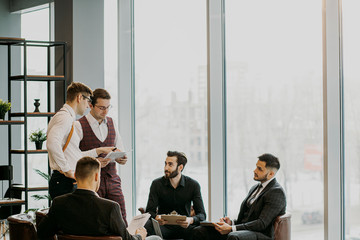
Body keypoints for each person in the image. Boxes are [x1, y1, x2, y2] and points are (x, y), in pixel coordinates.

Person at [37, 157, 161, 240]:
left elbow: (42, 233)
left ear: (75, 176)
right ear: (97, 176)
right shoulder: (111, 207)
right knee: (155, 238)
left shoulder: (59, 203)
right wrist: (139, 236)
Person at [193, 153, 286, 240]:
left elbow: (261, 223)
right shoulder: (255, 187)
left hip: (261, 234)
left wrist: (231, 228)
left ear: (271, 174)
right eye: (256, 167)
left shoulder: (276, 192)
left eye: (259, 169)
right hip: (245, 231)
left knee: (234, 236)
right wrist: (231, 223)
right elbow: (248, 217)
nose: (255, 170)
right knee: (200, 230)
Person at [46, 82, 113, 199]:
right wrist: (67, 170)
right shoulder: (65, 117)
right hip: (64, 181)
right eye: (87, 100)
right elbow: (52, 143)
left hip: (66, 181)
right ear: (79, 98)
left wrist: (98, 150)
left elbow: (73, 154)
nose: (88, 105)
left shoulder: (66, 117)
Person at [75, 88, 129, 226]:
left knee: (121, 218)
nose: (105, 111)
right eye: (101, 108)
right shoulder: (78, 125)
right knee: (95, 220)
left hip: (112, 179)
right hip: (91, 182)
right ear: (91, 105)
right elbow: (73, 156)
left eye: (108, 107)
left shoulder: (112, 122)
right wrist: (95, 160)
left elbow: (119, 148)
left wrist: (121, 158)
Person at [144, 151, 206, 240]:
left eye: (170, 165)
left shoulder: (193, 185)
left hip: (185, 228)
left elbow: (202, 215)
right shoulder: (156, 184)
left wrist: (190, 220)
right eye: (165, 164)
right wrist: (157, 217)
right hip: (163, 228)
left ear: (180, 167)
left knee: (202, 230)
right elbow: (150, 212)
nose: (166, 168)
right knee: (147, 226)